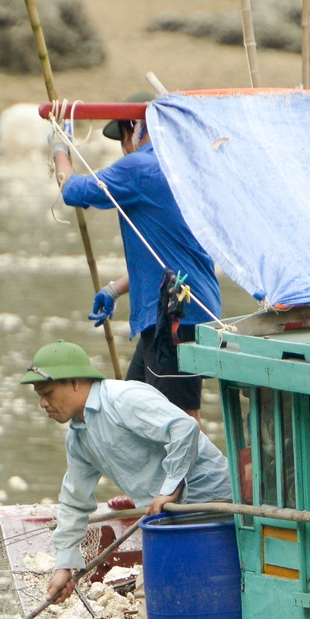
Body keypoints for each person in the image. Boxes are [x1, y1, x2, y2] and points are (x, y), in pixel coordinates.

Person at [23, 340, 231, 605]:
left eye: (48, 393)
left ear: (74, 382)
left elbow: (184, 427)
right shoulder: (78, 436)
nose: (42, 403)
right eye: (39, 396)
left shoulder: (123, 399)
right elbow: (75, 501)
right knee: (154, 601)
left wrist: (169, 489)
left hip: (212, 505)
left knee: (162, 601)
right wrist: (64, 565)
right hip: (166, 520)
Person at [51, 109, 221, 413]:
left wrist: (60, 147)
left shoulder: (139, 168)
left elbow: (72, 190)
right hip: (180, 309)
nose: (124, 148)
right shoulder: (184, 166)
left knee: (179, 419)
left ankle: (201, 464)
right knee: (132, 412)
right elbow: (169, 257)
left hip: (175, 315)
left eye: (122, 139)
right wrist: (115, 289)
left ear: (134, 128)